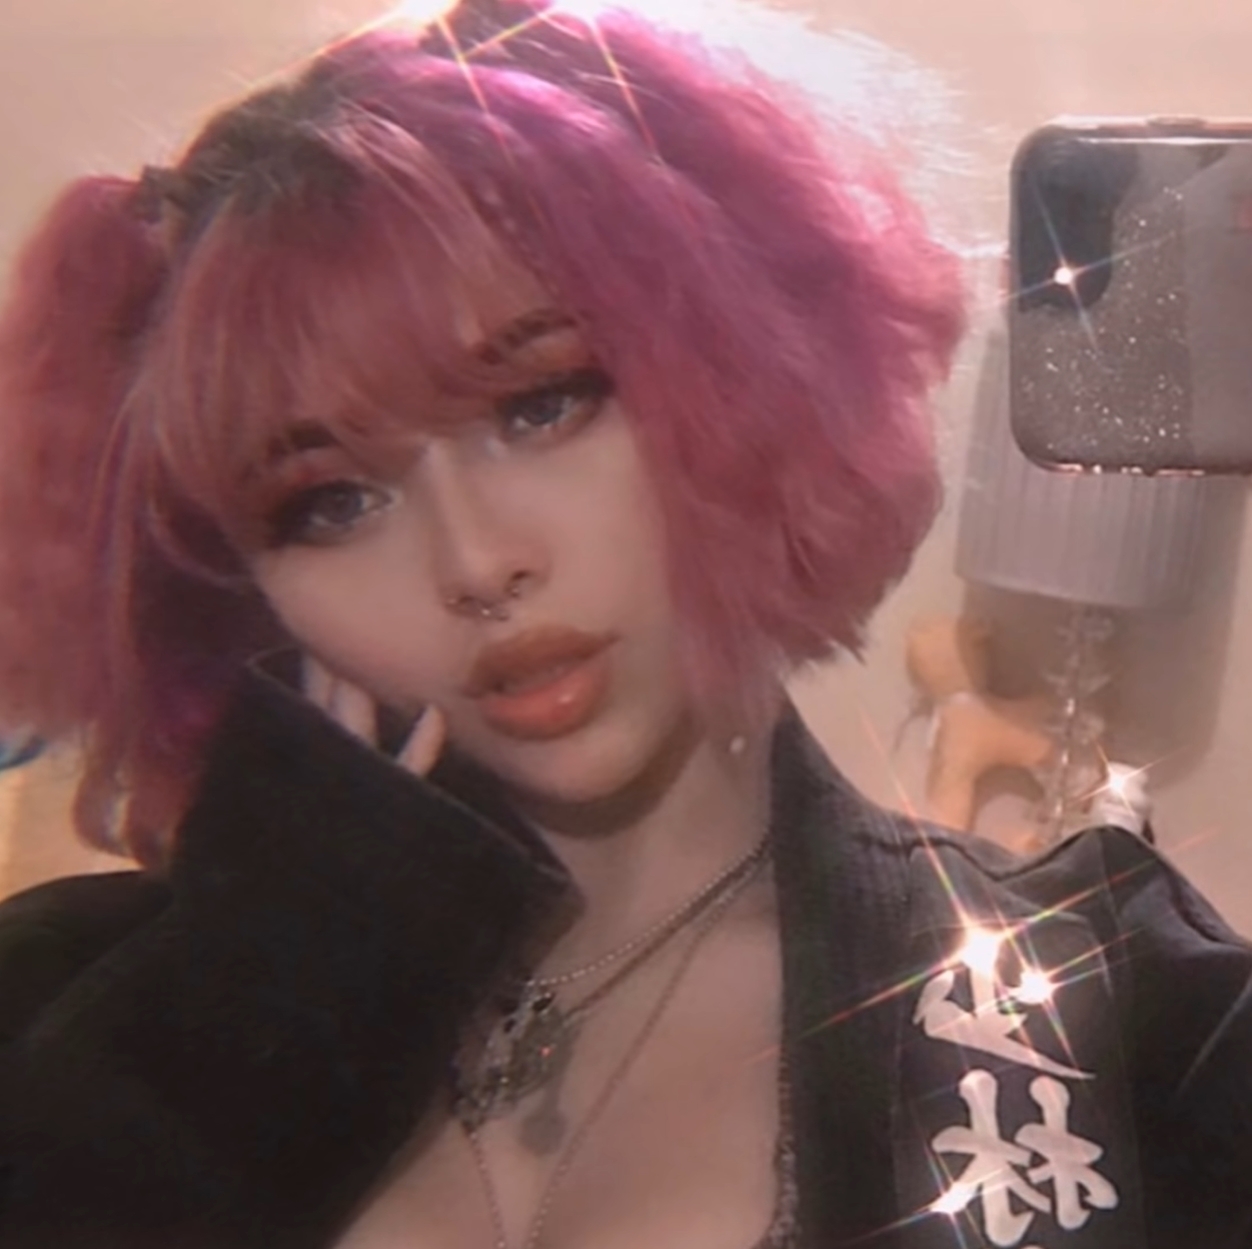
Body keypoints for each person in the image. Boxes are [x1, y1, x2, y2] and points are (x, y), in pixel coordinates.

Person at [0, 2, 1247, 1247]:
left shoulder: (1128, 1014)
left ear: (735, 373)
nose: (476, 561)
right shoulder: (69, 1014)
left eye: (542, 404)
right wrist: (250, 1018)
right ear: (233, 586)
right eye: (330, 501)